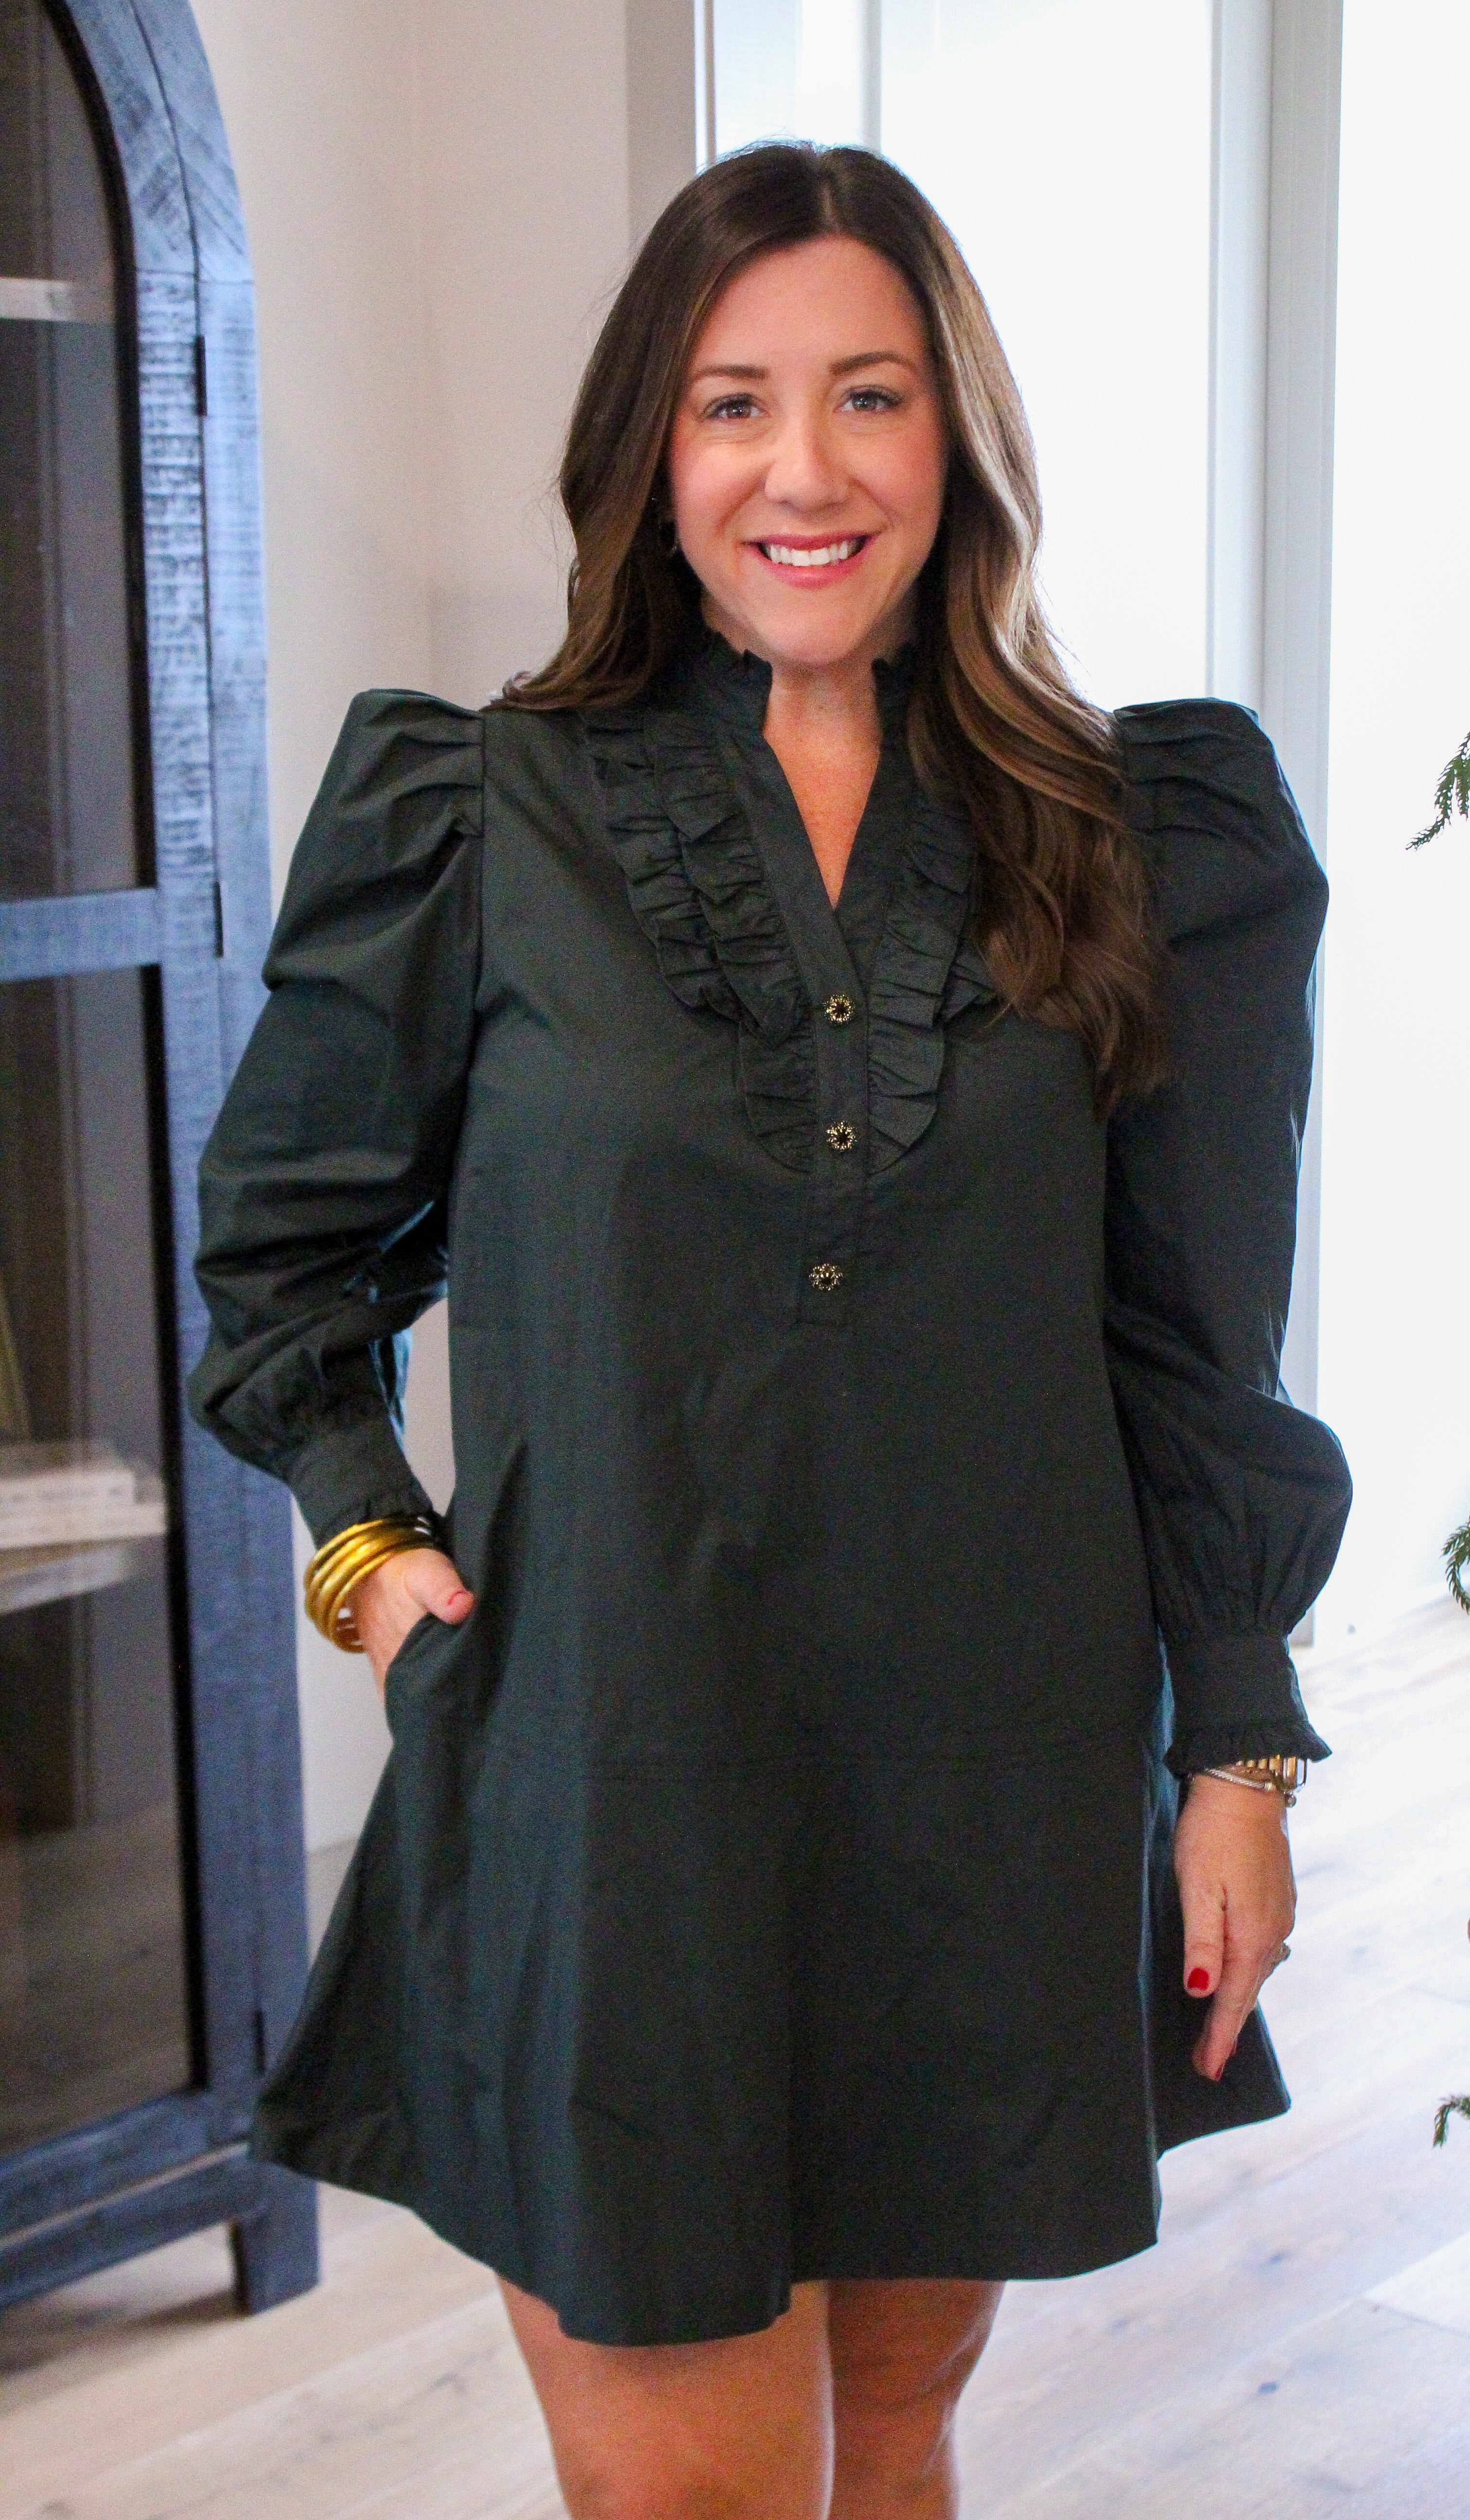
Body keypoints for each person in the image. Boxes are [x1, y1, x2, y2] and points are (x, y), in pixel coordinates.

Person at [190, 141, 1350, 2520]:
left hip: (996, 1790)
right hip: (613, 1796)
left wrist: (1235, 1752)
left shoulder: (1138, 828)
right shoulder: (476, 810)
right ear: (651, 449)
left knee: (895, 2449)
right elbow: (281, 1263)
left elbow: (1191, 1339)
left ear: (959, 439)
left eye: (869, 396)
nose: (802, 470)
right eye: (733, 404)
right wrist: (381, 1572)